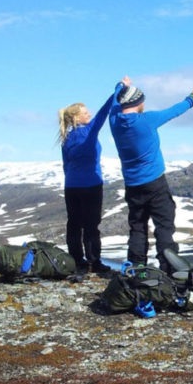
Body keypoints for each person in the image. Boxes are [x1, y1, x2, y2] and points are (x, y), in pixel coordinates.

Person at [109, 76, 193, 274]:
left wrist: (121, 86)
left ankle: (137, 271)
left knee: (137, 227)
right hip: (155, 183)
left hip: (132, 185)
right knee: (164, 227)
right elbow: (174, 111)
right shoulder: (146, 120)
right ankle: (169, 271)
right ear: (138, 102)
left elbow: (115, 98)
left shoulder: (114, 119)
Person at [58, 94, 113, 273]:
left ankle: (76, 261)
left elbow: (66, 164)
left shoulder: (65, 137)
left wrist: (72, 179)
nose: (89, 114)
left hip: (71, 186)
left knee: (74, 223)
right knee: (91, 225)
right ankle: (94, 262)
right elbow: (104, 112)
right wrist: (118, 90)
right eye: (85, 112)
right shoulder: (90, 130)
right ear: (76, 117)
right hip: (91, 184)